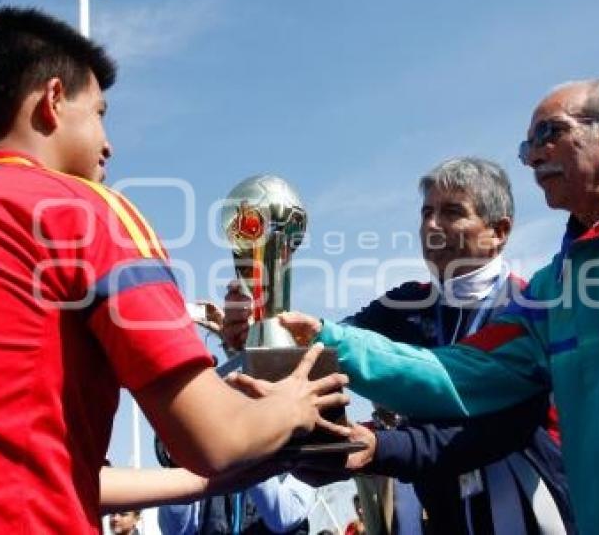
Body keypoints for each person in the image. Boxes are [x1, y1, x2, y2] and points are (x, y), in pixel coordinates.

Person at [0, 6, 349, 533]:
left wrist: (210, 482)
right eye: (101, 112)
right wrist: (293, 403)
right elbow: (216, 437)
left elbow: (67, 475)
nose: (108, 143)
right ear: (54, 100)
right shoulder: (81, 210)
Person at [279, 77, 599, 534]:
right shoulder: (554, 288)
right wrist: (322, 338)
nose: (534, 155)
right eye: (527, 147)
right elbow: (456, 374)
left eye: (549, 133)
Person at [226, 159, 574, 533]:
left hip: (534, 518)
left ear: (498, 232)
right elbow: (322, 353)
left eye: (451, 212)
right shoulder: (405, 303)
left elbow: (495, 432)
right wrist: (261, 335)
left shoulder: (528, 309)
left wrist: (378, 448)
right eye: (426, 212)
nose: (432, 225)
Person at [158, 474, 314, 534]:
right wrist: (181, 462)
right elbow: (176, 530)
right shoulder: (206, 464)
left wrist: (250, 450)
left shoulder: (300, 456)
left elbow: (284, 518)